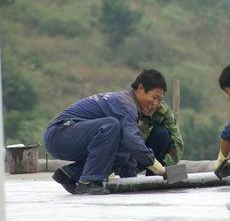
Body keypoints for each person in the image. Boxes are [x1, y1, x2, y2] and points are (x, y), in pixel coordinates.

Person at [44, 69, 183, 195]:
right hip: (60, 133)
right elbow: (133, 142)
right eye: (154, 97)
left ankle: (70, 174)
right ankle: (88, 182)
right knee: (112, 125)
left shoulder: (136, 107)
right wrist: (159, 169)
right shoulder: (126, 104)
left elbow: (126, 152)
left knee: (121, 148)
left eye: (159, 100)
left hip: (70, 137)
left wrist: (132, 184)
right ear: (140, 88)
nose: (155, 104)